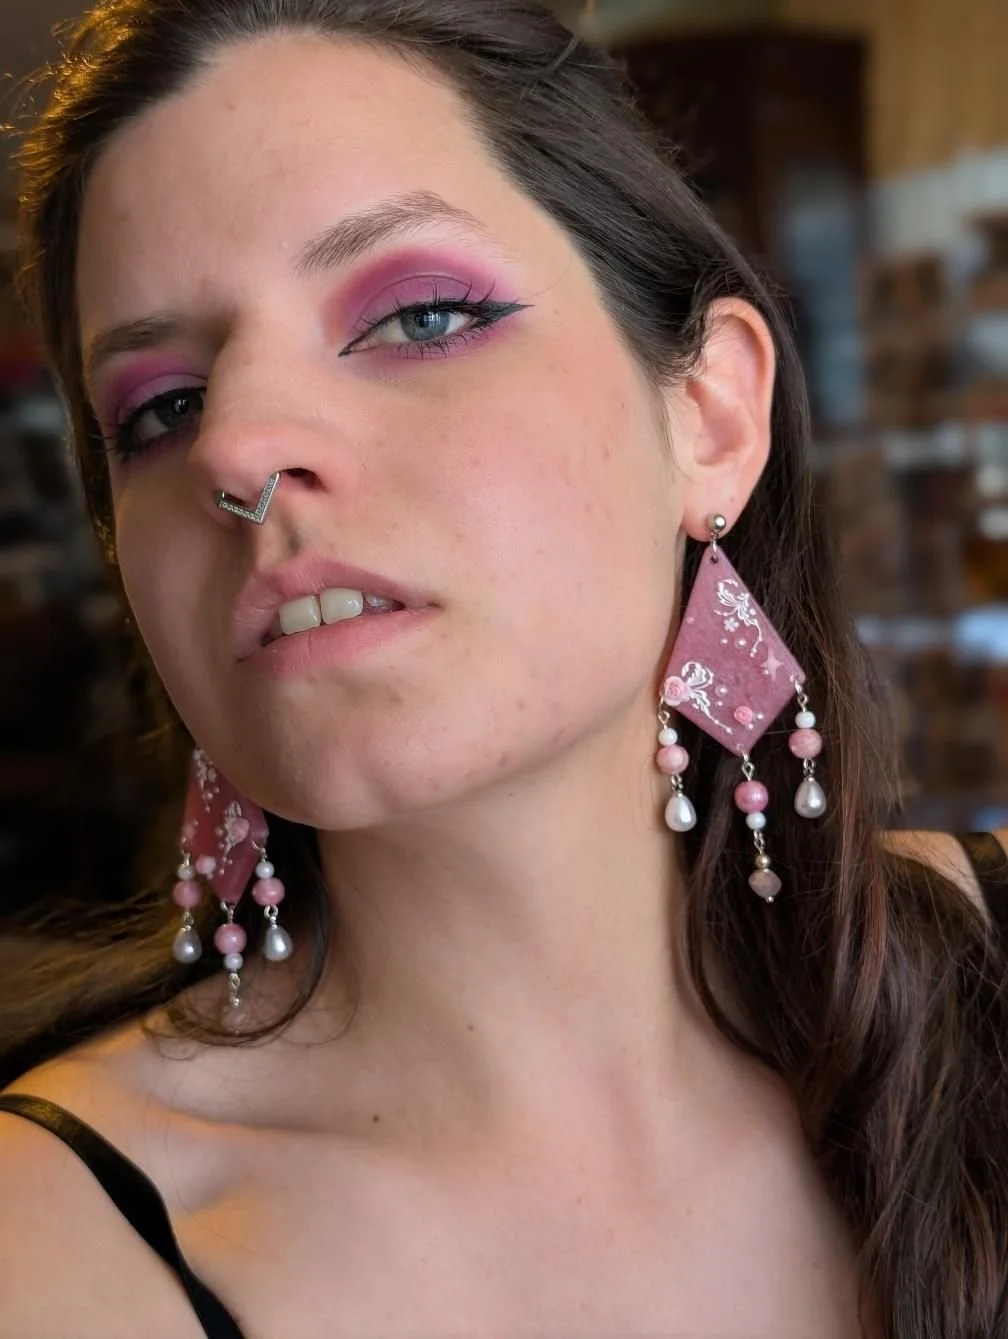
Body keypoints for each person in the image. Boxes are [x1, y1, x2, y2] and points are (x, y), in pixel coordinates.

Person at [0, 1, 1006, 1335]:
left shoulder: (982, 966)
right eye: (160, 409)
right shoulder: (56, 1248)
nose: (234, 449)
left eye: (419, 316)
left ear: (708, 415)